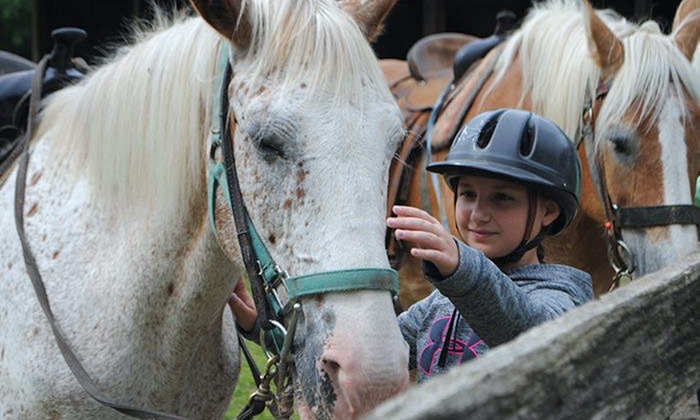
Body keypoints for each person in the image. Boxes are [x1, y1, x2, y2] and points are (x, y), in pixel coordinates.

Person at [385, 108, 592, 382]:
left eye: (502, 197)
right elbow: (385, 349)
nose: (478, 214)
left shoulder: (561, 298)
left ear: (549, 211)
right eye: (469, 193)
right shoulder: (441, 300)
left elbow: (532, 334)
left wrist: (463, 268)